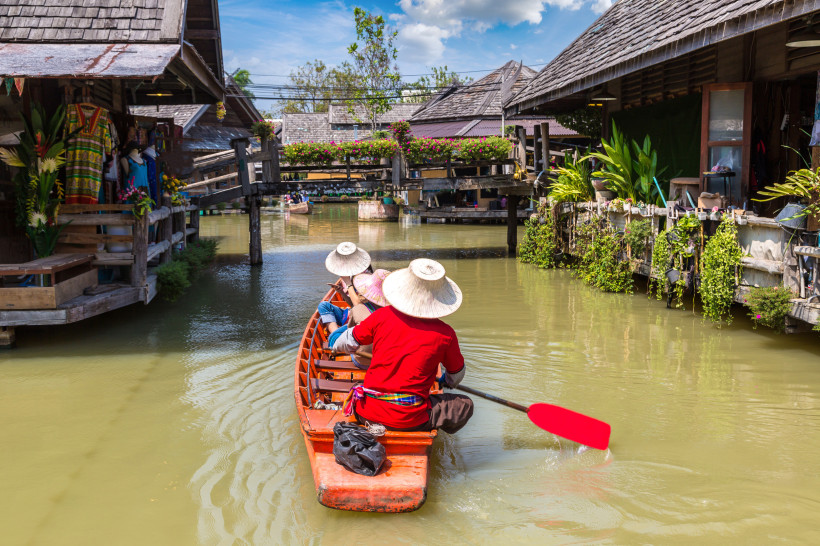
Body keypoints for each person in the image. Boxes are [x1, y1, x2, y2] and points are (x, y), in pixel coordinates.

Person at [335, 258, 473, 434]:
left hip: (366, 413)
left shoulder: (381, 316)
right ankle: (431, 428)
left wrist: (339, 346)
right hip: (409, 420)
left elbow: (344, 342)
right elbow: (456, 376)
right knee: (465, 404)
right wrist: (446, 381)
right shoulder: (445, 334)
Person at [324, 269, 389, 369]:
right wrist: (342, 292)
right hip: (386, 361)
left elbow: (351, 335)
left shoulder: (359, 308)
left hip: (362, 361)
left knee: (334, 337)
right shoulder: (397, 312)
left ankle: (334, 339)